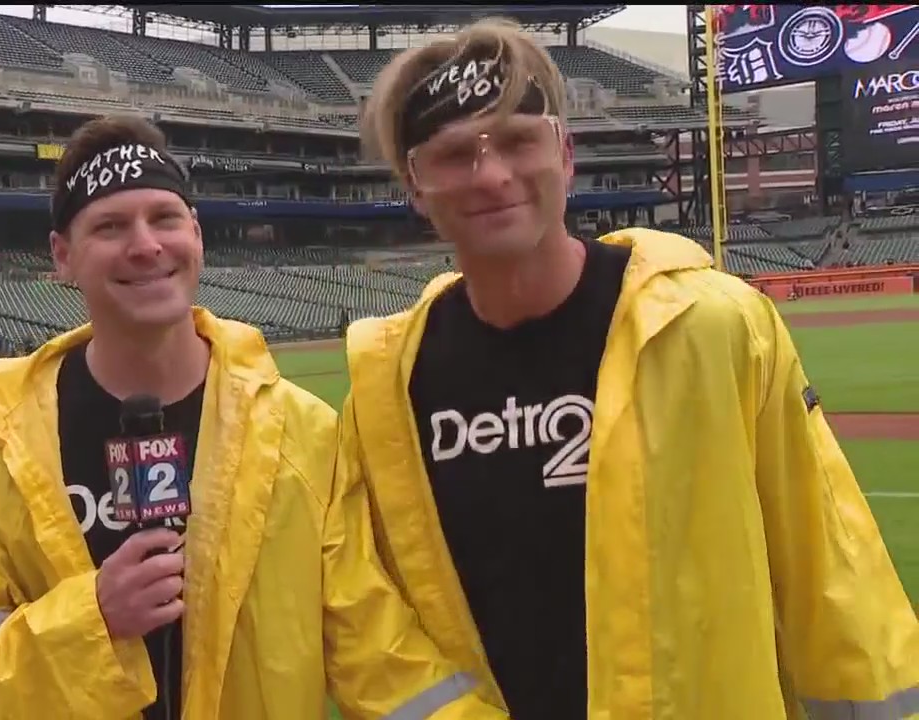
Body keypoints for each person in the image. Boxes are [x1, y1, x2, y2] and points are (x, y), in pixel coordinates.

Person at [337, 17, 919, 720]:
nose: (492, 175)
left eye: (518, 141)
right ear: (414, 187)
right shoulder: (387, 390)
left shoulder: (715, 325)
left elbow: (832, 570)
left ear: (565, 154)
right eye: (455, 154)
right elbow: (366, 615)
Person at [0, 115, 504, 719]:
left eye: (164, 218)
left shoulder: (302, 434)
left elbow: (376, 652)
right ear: (63, 256)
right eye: (110, 226)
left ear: (196, 233)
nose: (145, 245)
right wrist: (93, 619)